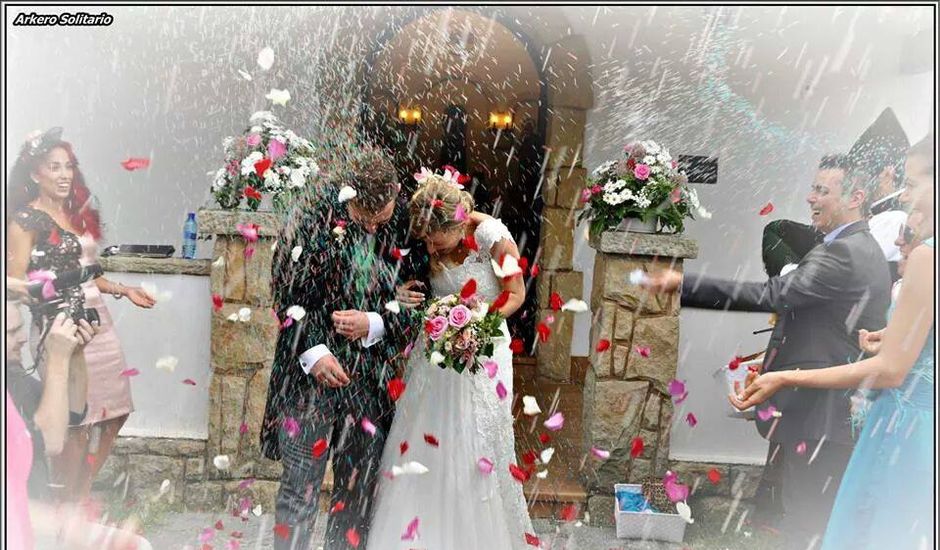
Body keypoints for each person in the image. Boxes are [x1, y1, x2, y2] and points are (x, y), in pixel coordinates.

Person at [643, 157, 892, 550]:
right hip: (823, 410)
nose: (811, 198)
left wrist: (684, 284)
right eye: (813, 188)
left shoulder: (847, 251)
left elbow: (772, 295)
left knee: (809, 525)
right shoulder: (849, 246)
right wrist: (767, 362)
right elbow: (825, 325)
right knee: (808, 521)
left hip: (824, 414)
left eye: (823, 191)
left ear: (856, 197)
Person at [731, 134, 934, 550]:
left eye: (911, 184)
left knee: (853, 530)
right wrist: (886, 338)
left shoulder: (924, 257)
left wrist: (788, 378)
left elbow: (891, 371)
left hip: (903, 429)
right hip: (907, 422)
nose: (903, 196)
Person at [259, 142, 429, 550]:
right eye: (362, 218)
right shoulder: (311, 219)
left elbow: (421, 300)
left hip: (369, 385)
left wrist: (375, 321)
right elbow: (288, 295)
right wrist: (314, 353)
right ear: (347, 195)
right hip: (307, 386)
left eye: (381, 217)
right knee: (299, 492)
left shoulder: (405, 223)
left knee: (356, 498)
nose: (372, 226)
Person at [366, 172, 534, 549]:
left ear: (457, 224)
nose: (429, 245)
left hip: (484, 348)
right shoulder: (427, 242)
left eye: (433, 237)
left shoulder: (492, 237)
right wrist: (405, 294)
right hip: (435, 354)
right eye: (423, 238)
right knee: (427, 434)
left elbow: (516, 293)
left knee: (474, 439)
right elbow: (416, 287)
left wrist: (477, 323)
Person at [6, 128, 157, 504]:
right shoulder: (25, 220)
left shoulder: (71, 214)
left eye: (68, 167)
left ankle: (79, 488)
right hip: (63, 328)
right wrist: (53, 291)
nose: (63, 174)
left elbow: (91, 271)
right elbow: (12, 281)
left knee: (116, 411)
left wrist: (124, 290)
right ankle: (64, 504)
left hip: (99, 323)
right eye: (53, 167)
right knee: (75, 421)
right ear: (35, 173)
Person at [6, 300, 151, 550]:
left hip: (34, 527)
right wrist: (58, 360)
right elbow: (52, 436)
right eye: (10, 332)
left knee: (139, 545)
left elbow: (69, 417)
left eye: (21, 328)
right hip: (24, 534)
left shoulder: (13, 377)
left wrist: (75, 356)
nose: (21, 339)